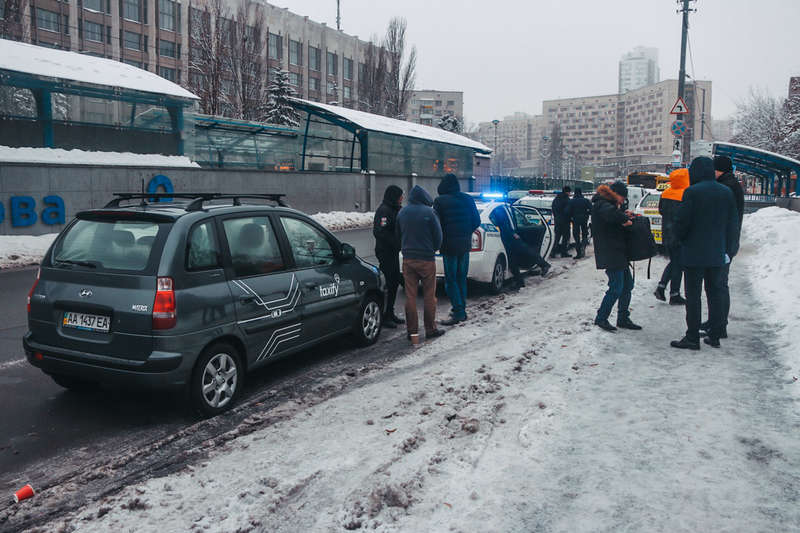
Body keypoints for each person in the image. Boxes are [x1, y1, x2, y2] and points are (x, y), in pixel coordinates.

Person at [670, 156, 740, 350]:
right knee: (715, 293)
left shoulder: (692, 192)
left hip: (693, 253)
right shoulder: (726, 192)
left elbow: (682, 222)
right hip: (717, 253)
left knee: (693, 296)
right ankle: (715, 335)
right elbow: (733, 224)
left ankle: (692, 337)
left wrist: (680, 239)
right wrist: (729, 249)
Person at [699, 155, 745, 338]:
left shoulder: (727, 187)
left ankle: (719, 326)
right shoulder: (730, 184)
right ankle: (715, 321)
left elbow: (725, 219)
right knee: (715, 284)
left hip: (723, 244)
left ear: (720, 170)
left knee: (717, 285)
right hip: (725, 243)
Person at [396, 185, 445, 341]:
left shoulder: (402, 212)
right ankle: (430, 329)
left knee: (410, 296)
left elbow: (398, 235)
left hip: (408, 259)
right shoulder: (430, 213)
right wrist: (433, 249)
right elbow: (438, 236)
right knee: (429, 295)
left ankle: (412, 332)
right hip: (426, 259)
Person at [591, 181, 641, 332]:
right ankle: (601, 318)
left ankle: (623, 318)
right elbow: (610, 214)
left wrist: (623, 214)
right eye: (622, 198)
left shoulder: (608, 204)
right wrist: (624, 219)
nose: (623, 201)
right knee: (616, 287)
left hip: (618, 252)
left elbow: (612, 216)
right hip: (610, 252)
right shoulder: (602, 204)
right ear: (616, 194)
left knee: (627, 285)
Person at [433, 174, 481, 325]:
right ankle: (461, 309)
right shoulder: (467, 199)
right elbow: (476, 221)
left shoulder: (439, 201)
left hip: (449, 247)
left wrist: (440, 240)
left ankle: (459, 312)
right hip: (465, 245)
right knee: (461, 278)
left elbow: (436, 225)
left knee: (451, 280)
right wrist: (465, 233)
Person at [489, 204, 551, 290]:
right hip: (508, 237)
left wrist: (512, 234)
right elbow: (505, 224)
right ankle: (522, 280)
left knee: (518, 256)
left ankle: (521, 281)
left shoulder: (499, 210)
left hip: (508, 237)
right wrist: (513, 233)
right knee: (521, 254)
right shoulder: (501, 208)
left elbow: (504, 224)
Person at [654, 168, 689, 305]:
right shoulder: (686, 194)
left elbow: (661, 211)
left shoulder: (666, 193)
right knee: (678, 263)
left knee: (675, 262)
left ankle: (664, 289)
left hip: (667, 234)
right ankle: (672, 293)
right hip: (679, 235)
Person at [373, 185, 405, 328]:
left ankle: (390, 312)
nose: (402, 198)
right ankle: (385, 315)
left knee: (394, 282)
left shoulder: (395, 209)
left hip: (393, 252)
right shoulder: (384, 211)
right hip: (385, 252)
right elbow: (380, 232)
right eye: (400, 196)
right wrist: (396, 243)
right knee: (390, 283)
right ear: (394, 196)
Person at [566, 187, 592, 258]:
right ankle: (583, 245)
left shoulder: (572, 201)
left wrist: (571, 217)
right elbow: (592, 209)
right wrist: (587, 214)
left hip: (575, 220)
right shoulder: (586, 201)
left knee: (576, 235)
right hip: (584, 220)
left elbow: (567, 211)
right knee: (584, 234)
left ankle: (578, 252)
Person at [550, 186, 572, 258]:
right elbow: (568, 210)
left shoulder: (556, 199)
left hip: (557, 220)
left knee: (557, 237)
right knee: (565, 237)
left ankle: (553, 252)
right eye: (569, 192)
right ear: (567, 192)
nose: (570, 193)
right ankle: (564, 252)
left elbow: (553, 208)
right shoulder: (567, 200)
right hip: (565, 221)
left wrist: (556, 216)